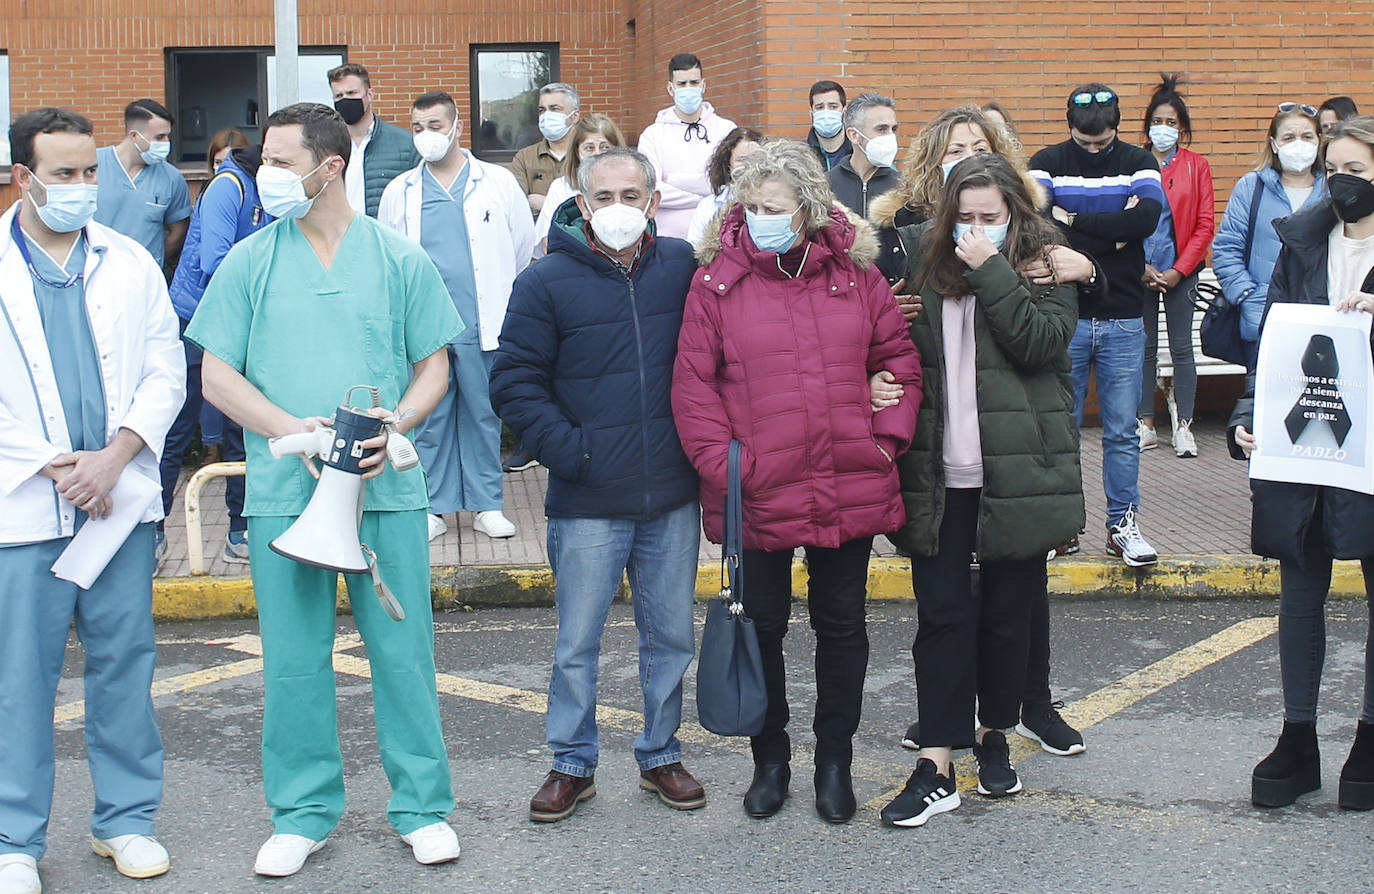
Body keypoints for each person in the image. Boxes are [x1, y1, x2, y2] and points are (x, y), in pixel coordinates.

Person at [187, 102, 463, 876]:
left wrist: (394, 427)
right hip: (285, 490)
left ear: (330, 165)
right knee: (293, 661)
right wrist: (289, 429)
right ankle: (302, 812)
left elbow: (433, 367)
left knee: (403, 652)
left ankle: (422, 807)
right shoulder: (252, 260)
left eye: (278, 161)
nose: (262, 175)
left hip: (386, 496)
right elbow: (215, 374)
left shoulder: (399, 257)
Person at [672, 139, 921, 824]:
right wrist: (730, 468)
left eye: (773, 207)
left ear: (809, 209)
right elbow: (693, 388)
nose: (759, 218)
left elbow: (897, 359)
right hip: (756, 487)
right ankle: (771, 759)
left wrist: (883, 439)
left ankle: (833, 761)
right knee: (764, 628)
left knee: (842, 626)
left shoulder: (854, 276)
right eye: (748, 206)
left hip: (847, 476)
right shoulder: (715, 281)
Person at [870, 104, 1098, 759]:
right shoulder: (910, 246)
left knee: (1010, 610)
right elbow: (877, 332)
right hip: (940, 464)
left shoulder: (1040, 255)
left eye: (988, 218)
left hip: (1017, 463)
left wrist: (1063, 268)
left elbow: (1041, 341)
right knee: (944, 610)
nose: (974, 228)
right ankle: (944, 729)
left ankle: (1009, 720)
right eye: (962, 217)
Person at [491, 147, 706, 824]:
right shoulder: (545, 281)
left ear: (653, 200)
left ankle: (661, 753)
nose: (620, 208)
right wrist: (572, 451)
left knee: (669, 637)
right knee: (577, 644)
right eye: (605, 195)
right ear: (582, 203)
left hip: (670, 495)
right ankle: (571, 765)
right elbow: (514, 383)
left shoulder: (681, 267)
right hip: (587, 499)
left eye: (632, 195)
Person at [0, 107, 185, 892]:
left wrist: (113, 460)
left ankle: (126, 821)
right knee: (20, 678)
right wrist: (54, 466)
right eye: (64, 174)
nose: (81, 188)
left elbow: (164, 368)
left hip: (117, 502)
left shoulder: (127, 261)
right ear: (22, 176)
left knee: (123, 666)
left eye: (88, 174)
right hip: (25, 507)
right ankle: (14, 839)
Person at [1230, 115, 1374, 811]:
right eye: (1337, 167)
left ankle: (1371, 736)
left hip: (1370, 450)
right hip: (1307, 444)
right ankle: (1298, 737)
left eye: (1362, 171)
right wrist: (1246, 416)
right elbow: (1279, 343)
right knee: (1299, 594)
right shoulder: (1304, 240)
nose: (1346, 182)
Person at [379, 90, 534, 542]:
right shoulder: (400, 191)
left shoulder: (497, 183)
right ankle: (433, 506)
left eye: (435, 125)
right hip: (425, 326)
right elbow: (390, 259)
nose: (427, 136)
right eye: (418, 128)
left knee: (485, 415)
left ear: (457, 126)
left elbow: (522, 247)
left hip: (482, 321)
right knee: (430, 417)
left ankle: (488, 504)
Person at [1029, 83, 1164, 567]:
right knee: (1058, 427)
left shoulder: (1140, 161)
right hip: (1064, 317)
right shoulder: (1044, 160)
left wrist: (1076, 225)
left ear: (1117, 128)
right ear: (1069, 125)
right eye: (1084, 144)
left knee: (1122, 431)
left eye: (1102, 144)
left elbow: (1145, 220)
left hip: (1125, 316)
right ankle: (1061, 528)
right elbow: (1042, 225)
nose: (1093, 150)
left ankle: (1121, 526)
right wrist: (1113, 233)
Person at [161, 137, 275, 564]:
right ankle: (151, 532)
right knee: (176, 428)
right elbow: (215, 262)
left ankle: (239, 529)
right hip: (197, 320)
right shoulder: (232, 185)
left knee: (240, 429)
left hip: (243, 321)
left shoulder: (273, 189)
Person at [1213, 103, 1328, 372]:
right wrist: (1249, 296)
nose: (1298, 144)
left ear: (1319, 142)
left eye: (1307, 137)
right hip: (1262, 323)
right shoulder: (1251, 188)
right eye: (1289, 137)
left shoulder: (1332, 190)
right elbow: (1227, 249)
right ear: (1274, 144)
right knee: (1262, 404)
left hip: (1323, 322)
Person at [1136, 75, 1214, 458]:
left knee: (1182, 348)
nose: (1163, 129)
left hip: (1181, 271)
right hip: (1141, 271)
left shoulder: (1196, 166)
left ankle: (1184, 425)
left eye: (1171, 123)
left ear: (1181, 129)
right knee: (1144, 347)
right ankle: (1145, 424)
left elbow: (1204, 225)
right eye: (1157, 121)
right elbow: (1124, 218)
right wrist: (1142, 266)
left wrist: (1179, 270)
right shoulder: (1134, 163)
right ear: (1147, 124)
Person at [636, 53, 738, 239]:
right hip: (668, 239)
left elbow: (735, 186)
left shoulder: (727, 130)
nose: (688, 88)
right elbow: (651, 190)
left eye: (694, 82)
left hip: (719, 237)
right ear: (670, 88)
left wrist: (675, 181)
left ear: (703, 85)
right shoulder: (652, 135)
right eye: (682, 84)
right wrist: (706, 197)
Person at [93, 98, 192, 270]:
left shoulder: (172, 178)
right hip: (96, 272)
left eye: (168, 136)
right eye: (159, 137)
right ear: (134, 136)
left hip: (145, 280)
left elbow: (178, 232)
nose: (166, 142)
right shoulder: (93, 166)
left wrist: (149, 262)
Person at [327, 62, 420, 217]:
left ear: (369, 95)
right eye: (339, 96)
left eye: (352, 93)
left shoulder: (406, 145)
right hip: (339, 238)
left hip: (383, 237)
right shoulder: (327, 146)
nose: (345, 100)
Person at [531, 113, 626, 257]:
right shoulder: (561, 187)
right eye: (589, 148)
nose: (597, 154)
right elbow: (547, 243)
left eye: (605, 147)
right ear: (577, 151)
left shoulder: (629, 188)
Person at [511, 83, 582, 217]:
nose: (546, 115)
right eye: (542, 110)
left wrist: (547, 204)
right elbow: (517, 205)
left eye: (555, 109)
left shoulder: (588, 156)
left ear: (575, 116)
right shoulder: (524, 158)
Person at [685, 126, 762, 248]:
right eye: (741, 160)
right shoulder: (707, 207)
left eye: (754, 159)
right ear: (728, 164)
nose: (748, 165)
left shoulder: (775, 204)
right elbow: (695, 250)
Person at [827, 92, 901, 218]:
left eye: (893, 129)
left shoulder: (903, 188)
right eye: (881, 129)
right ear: (854, 135)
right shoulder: (826, 186)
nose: (890, 136)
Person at [805, 80, 851, 171]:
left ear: (844, 112)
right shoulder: (802, 155)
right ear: (811, 114)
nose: (826, 112)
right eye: (820, 107)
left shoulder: (859, 152)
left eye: (833, 107)